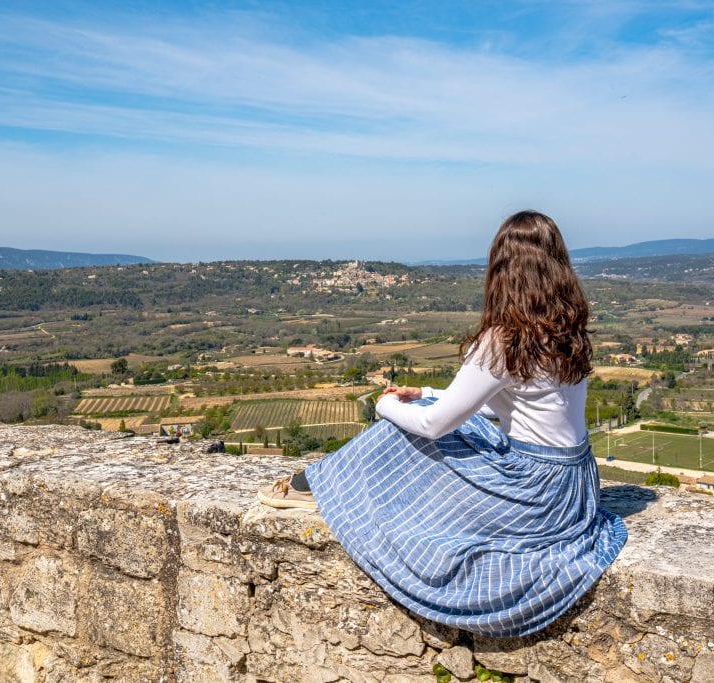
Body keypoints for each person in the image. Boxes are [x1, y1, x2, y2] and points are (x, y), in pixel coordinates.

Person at [257, 210, 627, 638]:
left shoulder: (504, 340)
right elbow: (502, 409)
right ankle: (320, 484)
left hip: (533, 492)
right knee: (458, 427)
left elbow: (435, 425)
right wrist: (425, 394)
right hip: (572, 489)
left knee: (400, 431)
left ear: (502, 269)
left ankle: (317, 486)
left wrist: (385, 406)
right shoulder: (565, 330)